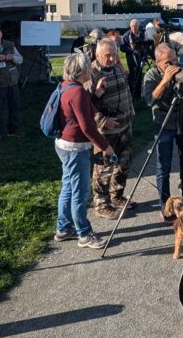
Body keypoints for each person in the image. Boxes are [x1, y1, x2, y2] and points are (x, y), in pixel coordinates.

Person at [54, 52, 115, 247]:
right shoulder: (77, 92)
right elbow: (87, 126)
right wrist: (105, 147)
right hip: (75, 147)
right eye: (88, 66)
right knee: (80, 191)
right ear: (82, 71)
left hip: (63, 143)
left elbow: (80, 108)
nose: (91, 68)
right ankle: (84, 234)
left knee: (69, 187)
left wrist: (95, 95)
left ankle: (63, 228)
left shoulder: (67, 86)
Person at [142, 43, 183, 209]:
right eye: (168, 62)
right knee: (163, 165)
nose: (173, 65)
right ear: (158, 62)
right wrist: (165, 80)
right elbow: (149, 100)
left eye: (175, 60)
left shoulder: (181, 68)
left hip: (182, 119)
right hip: (163, 123)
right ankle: (164, 203)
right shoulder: (151, 75)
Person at [87, 38, 135, 219]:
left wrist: (130, 112)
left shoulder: (117, 67)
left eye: (114, 54)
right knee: (104, 168)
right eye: (107, 55)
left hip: (125, 126)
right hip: (104, 133)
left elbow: (127, 92)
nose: (112, 59)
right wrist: (102, 120)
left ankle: (117, 196)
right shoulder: (91, 73)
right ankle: (102, 204)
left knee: (124, 163)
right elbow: (85, 104)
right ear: (97, 55)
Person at [120, 18, 144, 98]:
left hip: (140, 58)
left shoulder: (142, 34)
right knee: (132, 75)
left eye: (135, 26)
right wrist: (132, 51)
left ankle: (138, 94)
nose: (133, 28)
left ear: (138, 26)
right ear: (130, 26)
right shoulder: (127, 35)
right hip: (131, 58)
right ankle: (131, 93)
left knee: (139, 74)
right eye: (132, 26)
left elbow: (144, 44)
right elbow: (122, 48)